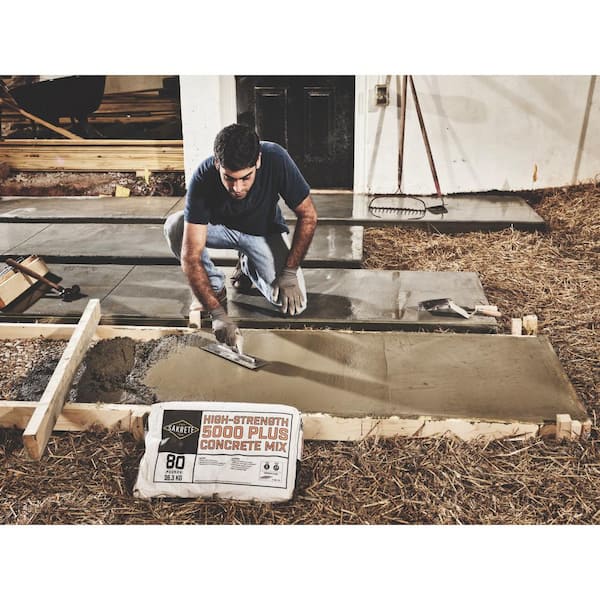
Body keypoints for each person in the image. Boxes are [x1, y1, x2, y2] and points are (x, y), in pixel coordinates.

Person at [164, 123, 318, 351]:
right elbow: (190, 256)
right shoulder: (203, 176)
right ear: (217, 164)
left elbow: (308, 216)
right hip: (220, 230)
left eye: (245, 178)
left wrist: (289, 272)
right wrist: (217, 313)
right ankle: (216, 286)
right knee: (175, 225)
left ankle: (247, 264)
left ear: (258, 161)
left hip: (262, 233)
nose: (237, 188)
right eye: (229, 178)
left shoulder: (276, 158)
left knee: (293, 304)